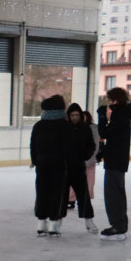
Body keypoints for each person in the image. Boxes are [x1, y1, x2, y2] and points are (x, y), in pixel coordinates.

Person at [29, 95, 69, 237]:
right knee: (57, 192)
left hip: (42, 163)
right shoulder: (64, 125)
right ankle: (53, 222)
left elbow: (33, 146)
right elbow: (68, 147)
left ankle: (41, 221)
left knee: (42, 190)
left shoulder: (39, 125)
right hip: (59, 164)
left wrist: (35, 160)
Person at [97, 87, 131, 240]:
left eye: (110, 99)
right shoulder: (122, 114)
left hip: (116, 160)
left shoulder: (120, 115)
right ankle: (118, 224)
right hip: (116, 159)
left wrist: (102, 118)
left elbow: (106, 133)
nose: (108, 103)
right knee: (115, 192)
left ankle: (118, 225)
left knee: (113, 193)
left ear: (116, 100)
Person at [63, 103, 98, 234]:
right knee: (62, 197)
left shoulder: (85, 129)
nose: (75, 117)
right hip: (65, 168)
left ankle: (89, 221)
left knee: (84, 196)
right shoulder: (65, 129)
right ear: (69, 116)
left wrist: (85, 156)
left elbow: (91, 145)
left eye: (77, 115)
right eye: (72, 115)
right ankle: (56, 221)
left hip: (78, 168)